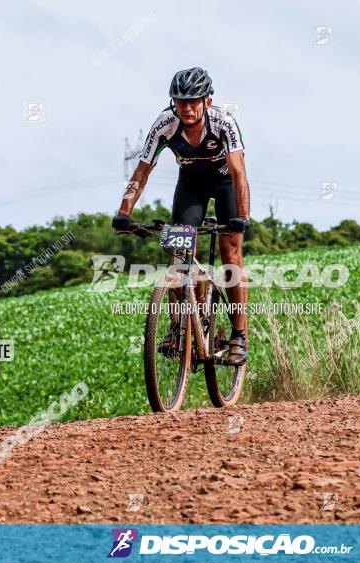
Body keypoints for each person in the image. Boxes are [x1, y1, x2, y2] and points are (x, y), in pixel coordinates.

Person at [112, 67, 251, 365]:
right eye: (180, 101)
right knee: (180, 250)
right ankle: (187, 321)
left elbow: (239, 173)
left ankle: (239, 334)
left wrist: (243, 216)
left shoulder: (224, 123)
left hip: (225, 182)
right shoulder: (164, 123)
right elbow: (142, 170)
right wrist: (125, 211)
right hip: (191, 186)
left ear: (207, 102)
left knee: (230, 251)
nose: (186, 108)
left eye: (193, 101)